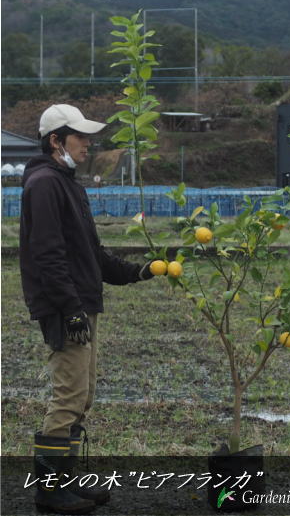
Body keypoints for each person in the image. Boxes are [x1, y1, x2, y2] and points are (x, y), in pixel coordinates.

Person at [19, 104, 155, 514]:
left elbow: (90, 254)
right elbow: (47, 255)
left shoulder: (68, 185)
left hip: (79, 303)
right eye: (79, 136)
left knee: (83, 395)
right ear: (55, 140)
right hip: (65, 307)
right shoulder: (44, 184)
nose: (88, 143)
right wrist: (71, 309)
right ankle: (48, 490)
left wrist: (138, 272)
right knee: (68, 396)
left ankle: (64, 481)